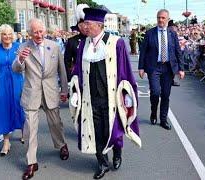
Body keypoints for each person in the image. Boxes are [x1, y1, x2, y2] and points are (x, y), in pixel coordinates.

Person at [69, 8, 141, 179]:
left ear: (99, 25)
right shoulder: (83, 45)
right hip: (90, 98)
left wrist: (127, 95)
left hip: (111, 97)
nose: (85, 27)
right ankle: (102, 163)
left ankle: (117, 154)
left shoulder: (116, 42)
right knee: (96, 131)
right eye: (85, 23)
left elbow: (125, 70)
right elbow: (78, 69)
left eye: (88, 24)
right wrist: (75, 90)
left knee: (113, 129)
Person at [12, 18, 69, 180]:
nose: (38, 35)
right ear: (29, 34)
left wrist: (64, 90)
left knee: (55, 123)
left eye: (41, 31)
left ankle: (61, 145)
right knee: (30, 129)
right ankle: (31, 162)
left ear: (45, 31)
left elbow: (62, 70)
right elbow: (16, 69)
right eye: (35, 32)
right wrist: (20, 59)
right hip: (32, 92)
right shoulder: (23, 47)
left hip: (50, 91)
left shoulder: (55, 46)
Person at [138, 9, 185, 130]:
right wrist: (141, 67)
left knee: (165, 94)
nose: (160, 20)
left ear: (168, 19)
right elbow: (143, 51)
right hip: (154, 67)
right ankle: (153, 112)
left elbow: (178, 51)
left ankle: (163, 119)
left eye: (163, 18)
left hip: (168, 68)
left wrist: (181, 68)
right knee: (155, 92)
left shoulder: (172, 34)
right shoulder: (150, 33)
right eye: (159, 17)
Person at [0, 24, 25, 156]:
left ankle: (23, 130)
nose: (7, 36)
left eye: (9, 34)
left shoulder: (18, 46)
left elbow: (25, 63)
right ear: (0, 36)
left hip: (17, 80)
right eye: (4, 34)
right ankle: (6, 141)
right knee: (3, 109)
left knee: (19, 106)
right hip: (2, 82)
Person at [64, 3, 89, 82]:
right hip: (79, 77)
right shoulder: (72, 41)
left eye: (87, 24)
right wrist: (69, 80)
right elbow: (67, 62)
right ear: (78, 25)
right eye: (82, 25)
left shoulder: (94, 39)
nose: (85, 27)